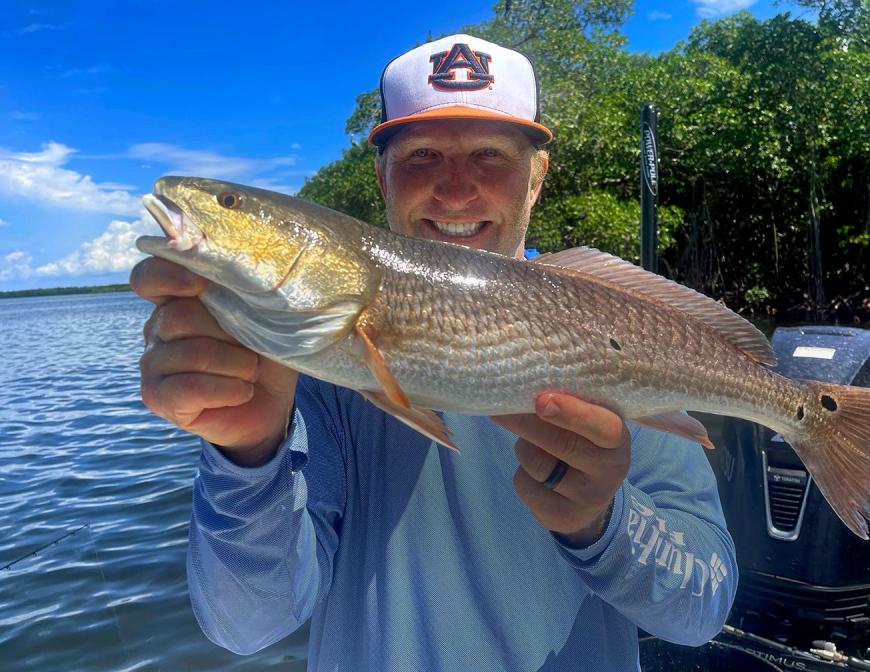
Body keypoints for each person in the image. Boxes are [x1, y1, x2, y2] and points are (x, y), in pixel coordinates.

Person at [132, 34, 738, 671]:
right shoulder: (300, 369)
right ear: (382, 176)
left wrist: (603, 522)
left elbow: (702, 611)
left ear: (536, 180)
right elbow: (246, 624)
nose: (455, 190)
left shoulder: (616, 331)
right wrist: (245, 457)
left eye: (490, 155)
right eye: (421, 154)